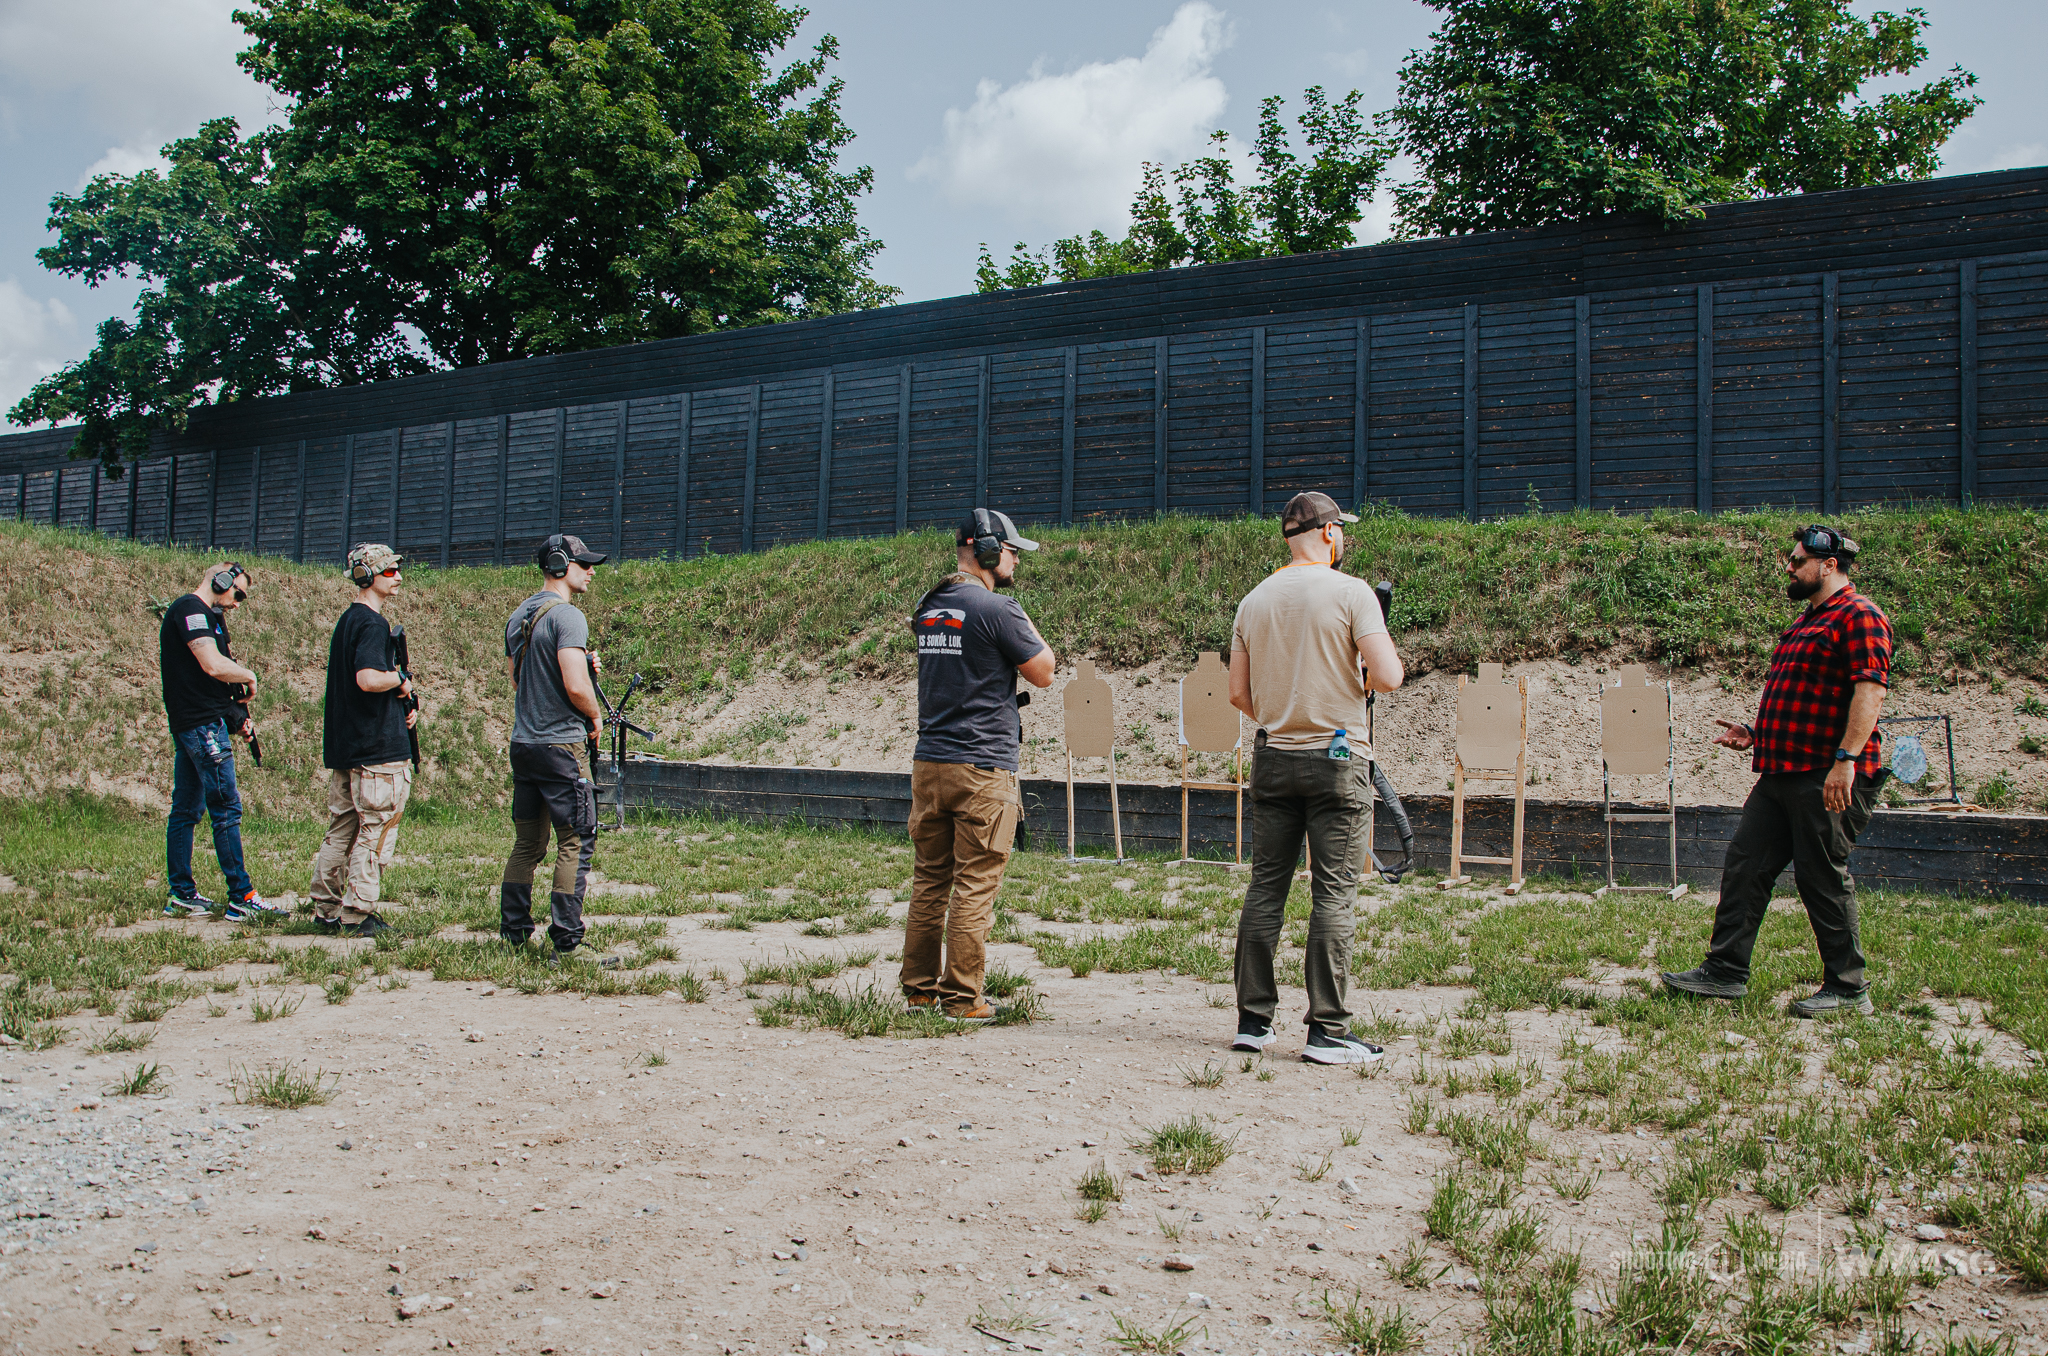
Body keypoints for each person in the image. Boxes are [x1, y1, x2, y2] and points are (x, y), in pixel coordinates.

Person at [1662, 525, 1892, 1018]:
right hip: (1782, 770)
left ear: (1829, 565)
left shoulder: (1860, 616)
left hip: (1826, 775)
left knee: (1822, 878)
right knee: (1746, 866)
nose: (1788, 567)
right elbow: (1808, 698)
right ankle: (1725, 972)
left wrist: (1845, 762)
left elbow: (1868, 693)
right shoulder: (1807, 621)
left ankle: (1849, 989)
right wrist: (1757, 731)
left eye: (1798, 560)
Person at [1227, 492, 1403, 1064]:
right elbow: (1390, 676)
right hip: (1337, 761)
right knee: (1333, 893)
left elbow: (1238, 694)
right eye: (1341, 530)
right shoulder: (1353, 593)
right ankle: (1327, 1029)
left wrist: (1287, 710)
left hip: (1274, 756)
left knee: (1265, 889)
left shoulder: (1253, 601)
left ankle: (1253, 1022)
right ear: (1328, 533)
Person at [901, 509, 1056, 1023]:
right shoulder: (997, 609)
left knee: (930, 881)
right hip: (981, 769)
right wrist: (1015, 610)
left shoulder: (929, 606)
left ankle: (920, 991)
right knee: (975, 883)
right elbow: (1044, 672)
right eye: (1011, 550)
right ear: (988, 550)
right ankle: (963, 998)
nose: (1015, 560)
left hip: (931, 765)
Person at [500, 534, 616, 967]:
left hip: (524, 744)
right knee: (577, 837)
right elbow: (573, 684)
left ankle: (513, 934)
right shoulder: (569, 617)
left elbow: (517, 682)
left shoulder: (519, 616)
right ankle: (567, 942)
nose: (590, 571)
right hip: (560, 746)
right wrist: (595, 716)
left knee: (528, 842)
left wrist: (579, 666)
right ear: (558, 564)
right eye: (583, 564)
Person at [159, 562, 283, 922]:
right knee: (226, 808)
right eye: (237, 593)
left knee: (186, 810)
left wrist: (236, 715)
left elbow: (210, 685)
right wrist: (250, 676)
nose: (237, 602)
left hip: (201, 724)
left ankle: (182, 895)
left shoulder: (209, 617)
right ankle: (241, 897)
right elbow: (212, 665)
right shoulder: (189, 609)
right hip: (200, 728)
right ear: (221, 580)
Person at [309, 544, 419, 938]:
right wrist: (401, 680)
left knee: (342, 827)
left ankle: (326, 909)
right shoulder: (373, 624)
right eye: (390, 571)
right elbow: (368, 679)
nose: (398, 577)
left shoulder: (348, 621)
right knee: (376, 829)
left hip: (351, 748)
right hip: (377, 752)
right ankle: (357, 913)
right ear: (367, 576)